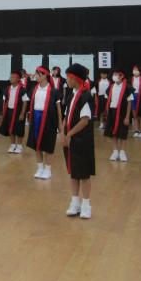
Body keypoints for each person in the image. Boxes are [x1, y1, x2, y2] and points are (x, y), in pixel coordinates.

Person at [60, 63, 95, 219]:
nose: (66, 80)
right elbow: (66, 116)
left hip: (82, 140)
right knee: (73, 173)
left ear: (75, 78)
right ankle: (75, 203)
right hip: (71, 140)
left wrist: (69, 134)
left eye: (68, 77)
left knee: (84, 174)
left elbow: (85, 120)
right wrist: (62, 132)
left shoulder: (86, 96)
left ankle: (86, 205)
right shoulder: (71, 95)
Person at [27, 67, 62, 180]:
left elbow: (58, 109)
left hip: (49, 120)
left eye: (38, 74)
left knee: (48, 145)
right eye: (36, 74)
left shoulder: (53, 91)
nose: (36, 76)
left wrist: (60, 124)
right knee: (37, 145)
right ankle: (40, 168)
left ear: (45, 75)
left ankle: (48, 169)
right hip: (36, 119)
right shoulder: (34, 89)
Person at [104, 69, 134, 162]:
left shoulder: (127, 87)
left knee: (122, 133)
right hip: (112, 111)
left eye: (116, 74)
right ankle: (115, 151)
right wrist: (107, 113)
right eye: (114, 74)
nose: (114, 76)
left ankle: (122, 152)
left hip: (122, 112)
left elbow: (129, 102)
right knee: (113, 132)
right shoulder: (111, 87)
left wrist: (127, 117)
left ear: (122, 76)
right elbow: (107, 100)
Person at [0, 70, 29, 154]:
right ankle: (12, 145)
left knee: (19, 129)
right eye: (10, 77)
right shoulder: (7, 89)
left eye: (13, 77)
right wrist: (3, 112)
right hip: (9, 111)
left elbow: (25, 102)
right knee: (10, 128)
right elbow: (4, 101)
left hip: (18, 112)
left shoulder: (22, 89)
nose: (11, 78)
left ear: (18, 79)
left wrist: (22, 113)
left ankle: (19, 146)